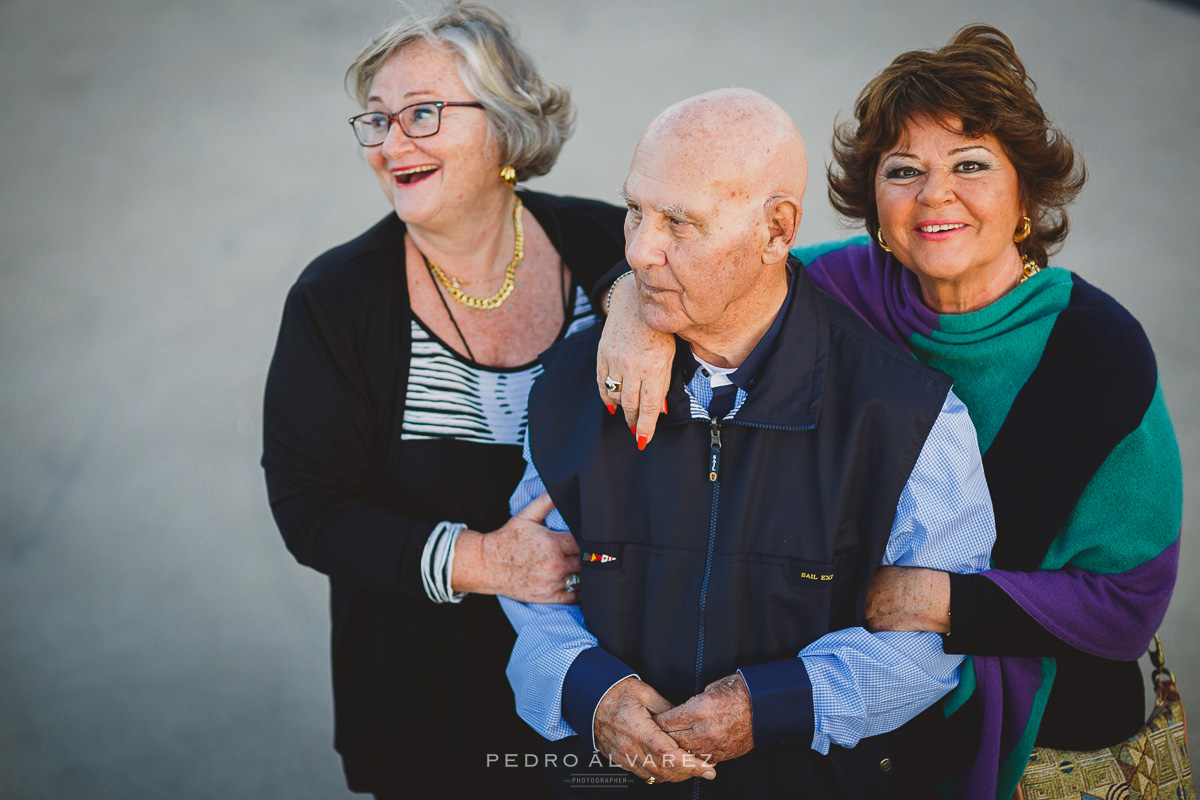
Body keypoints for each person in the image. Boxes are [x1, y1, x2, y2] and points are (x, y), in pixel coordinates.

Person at [596, 26, 1182, 800]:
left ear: (1024, 194)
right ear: (873, 199)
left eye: (970, 165)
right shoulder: (840, 290)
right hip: (881, 723)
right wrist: (630, 308)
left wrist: (948, 601)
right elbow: (711, 272)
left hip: (1056, 737)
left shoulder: (1098, 352)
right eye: (904, 171)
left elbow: (1128, 605)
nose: (934, 194)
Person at [501, 88, 996, 799]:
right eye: (636, 210)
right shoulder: (572, 385)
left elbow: (927, 647)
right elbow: (534, 587)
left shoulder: (910, 417)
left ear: (776, 230)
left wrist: (775, 707)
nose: (640, 251)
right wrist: (589, 691)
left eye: (681, 222)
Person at [261, 4, 626, 797]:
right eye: (378, 121)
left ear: (503, 124)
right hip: (428, 707)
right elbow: (309, 511)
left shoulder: (609, 251)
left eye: (422, 114)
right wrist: (488, 561)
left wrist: (635, 309)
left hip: (615, 701)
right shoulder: (337, 300)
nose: (393, 144)